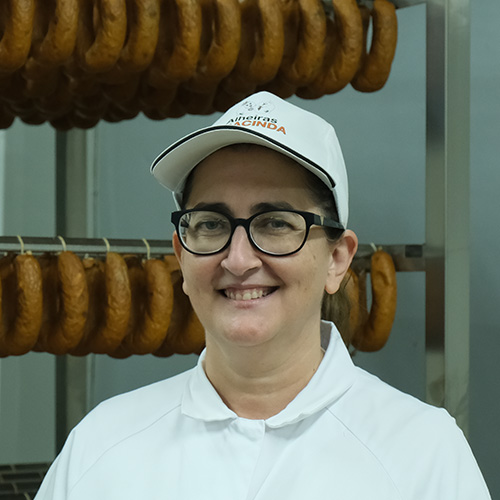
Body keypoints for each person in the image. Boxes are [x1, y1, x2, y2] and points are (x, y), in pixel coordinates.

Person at [35, 91, 491, 499]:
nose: (238, 260)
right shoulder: (101, 446)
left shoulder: (422, 454)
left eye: (275, 223)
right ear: (181, 254)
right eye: (211, 224)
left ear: (337, 259)